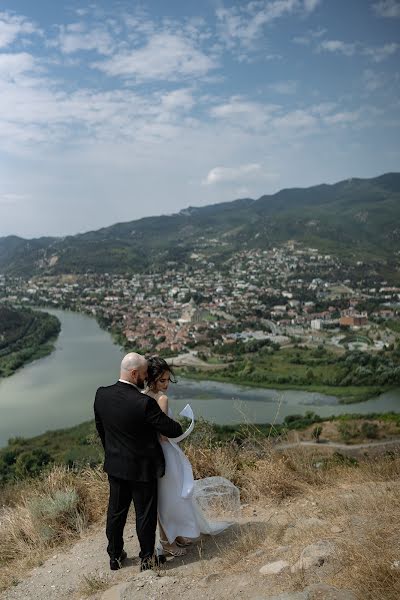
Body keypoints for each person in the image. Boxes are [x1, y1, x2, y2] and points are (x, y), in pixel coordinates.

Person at [94, 352, 183, 572]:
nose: (146, 377)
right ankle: (147, 559)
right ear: (134, 374)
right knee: (145, 514)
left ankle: (115, 556)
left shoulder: (101, 395)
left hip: (115, 467)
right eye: (144, 374)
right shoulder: (144, 403)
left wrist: (112, 455)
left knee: (116, 512)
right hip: (143, 469)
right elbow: (173, 430)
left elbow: (101, 431)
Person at [145, 356, 201, 557]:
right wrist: (181, 432)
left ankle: (174, 536)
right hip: (166, 453)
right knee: (169, 498)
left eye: (168, 380)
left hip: (152, 455)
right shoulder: (161, 399)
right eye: (162, 380)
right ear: (151, 378)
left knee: (167, 497)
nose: (166, 384)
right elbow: (162, 433)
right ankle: (167, 542)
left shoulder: (142, 396)